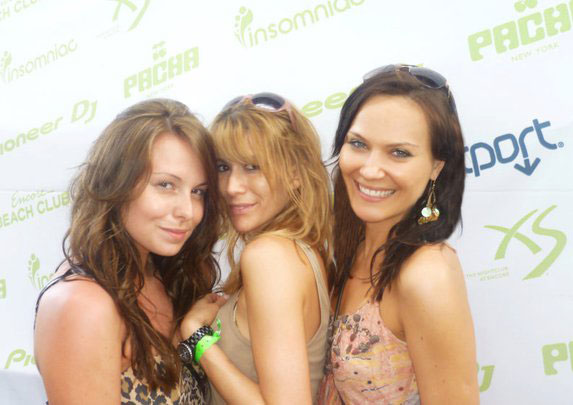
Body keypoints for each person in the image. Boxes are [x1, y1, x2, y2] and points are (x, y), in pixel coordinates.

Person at [34, 98, 221, 404]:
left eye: (198, 191)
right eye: (166, 185)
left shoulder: (161, 275)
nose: (188, 211)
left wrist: (195, 333)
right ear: (117, 182)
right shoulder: (83, 305)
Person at [319, 65, 479, 404]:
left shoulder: (427, 274)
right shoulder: (349, 250)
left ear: (436, 166)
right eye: (358, 143)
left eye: (399, 153)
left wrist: (204, 343)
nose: (370, 170)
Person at [179, 93, 333, 404]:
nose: (232, 187)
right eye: (223, 167)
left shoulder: (269, 257)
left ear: (295, 173)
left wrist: (197, 337)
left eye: (253, 167)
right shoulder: (297, 249)